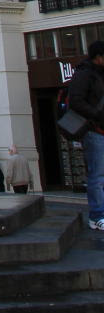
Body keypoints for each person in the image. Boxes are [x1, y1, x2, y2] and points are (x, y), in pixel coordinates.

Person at [65, 39, 104, 230]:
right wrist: (97, 114)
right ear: (98, 57)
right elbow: (76, 101)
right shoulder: (85, 74)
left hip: (100, 127)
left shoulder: (98, 74)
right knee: (97, 174)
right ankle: (97, 215)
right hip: (94, 129)